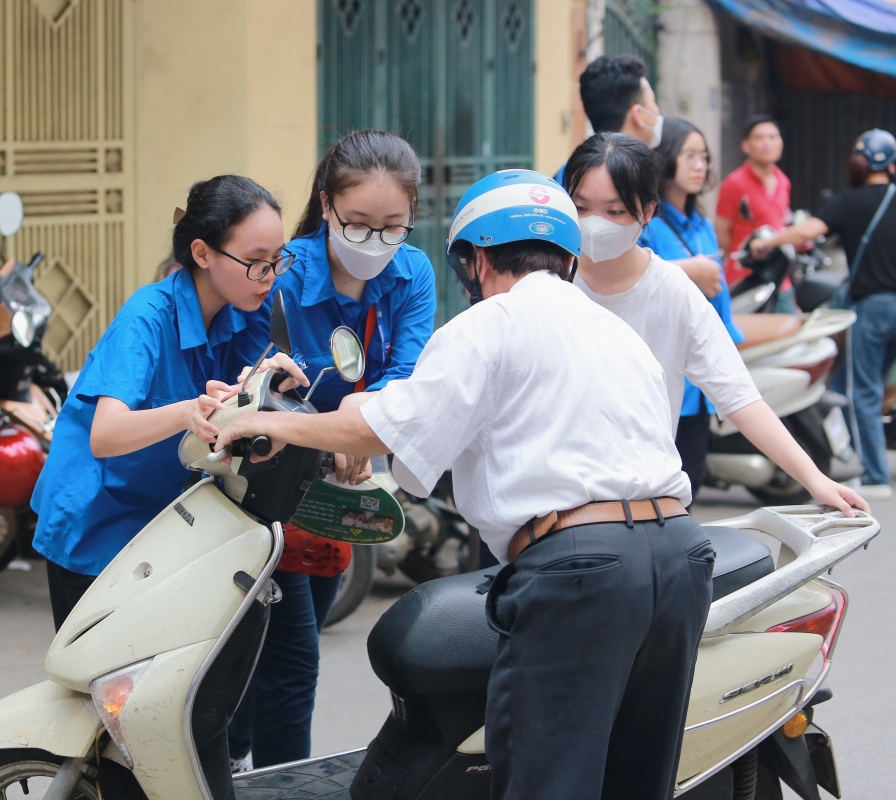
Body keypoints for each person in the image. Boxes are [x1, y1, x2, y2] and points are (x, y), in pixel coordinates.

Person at [212, 168, 718, 800]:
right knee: (636, 783)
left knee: (548, 784)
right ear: (565, 258)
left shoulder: (486, 326)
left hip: (581, 572)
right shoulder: (618, 334)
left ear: (474, 260)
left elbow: (387, 425)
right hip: (680, 555)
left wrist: (268, 422)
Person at [205, 130, 437, 771]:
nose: (375, 240)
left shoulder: (412, 273)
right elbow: (252, 377)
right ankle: (270, 778)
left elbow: (407, 372)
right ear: (326, 207)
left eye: (393, 225)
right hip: (263, 488)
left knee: (273, 654)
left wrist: (359, 426)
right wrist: (336, 430)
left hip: (339, 487)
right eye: (357, 223)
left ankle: (231, 759)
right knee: (291, 657)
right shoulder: (285, 273)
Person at [30, 175, 307, 630]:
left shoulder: (249, 312)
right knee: (102, 689)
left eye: (277, 260)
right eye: (256, 262)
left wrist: (269, 383)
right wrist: (186, 412)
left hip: (168, 522)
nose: (271, 276)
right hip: (98, 516)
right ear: (202, 253)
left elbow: (240, 403)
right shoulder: (147, 316)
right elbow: (105, 436)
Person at [564, 132, 867, 515]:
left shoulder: (674, 293)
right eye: (581, 207)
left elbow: (739, 396)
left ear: (648, 212)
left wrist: (816, 480)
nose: (595, 225)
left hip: (643, 505)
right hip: (559, 502)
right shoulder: (549, 281)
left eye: (615, 211)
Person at [750, 129, 896, 500]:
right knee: (855, 380)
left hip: (874, 307)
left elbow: (809, 231)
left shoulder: (850, 201)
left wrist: (767, 241)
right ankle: (849, 446)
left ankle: (876, 475)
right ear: (892, 165)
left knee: (863, 390)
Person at [639, 118, 743, 499]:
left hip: (697, 378)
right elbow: (628, 272)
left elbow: (720, 295)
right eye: (689, 155)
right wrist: (690, 271)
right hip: (658, 370)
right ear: (665, 159)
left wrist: (730, 344)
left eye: (704, 157)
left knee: (692, 476)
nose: (700, 165)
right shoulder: (648, 221)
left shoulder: (701, 223)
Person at [554, 53, 664, 187]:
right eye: (652, 101)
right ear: (638, 114)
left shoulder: (567, 176)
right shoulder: (630, 179)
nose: (656, 111)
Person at [715, 115, 792, 288]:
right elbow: (721, 234)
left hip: (779, 276)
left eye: (773, 137)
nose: (767, 143)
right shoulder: (734, 184)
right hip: (745, 277)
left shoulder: (784, 181)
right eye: (759, 138)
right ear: (746, 146)